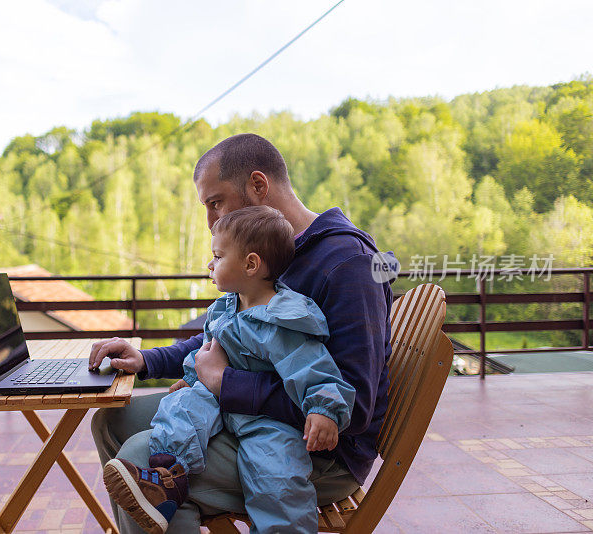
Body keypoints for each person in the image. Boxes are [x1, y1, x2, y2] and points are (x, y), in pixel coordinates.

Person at [89, 133, 396, 533]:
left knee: (141, 456)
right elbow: (225, 339)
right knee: (111, 421)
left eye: (215, 202)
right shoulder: (274, 256)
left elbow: (353, 411)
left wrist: (222, 382)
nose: (211, 221)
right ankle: (174, 512)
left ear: (257, 185)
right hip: (244, 410)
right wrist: (148, 360)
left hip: (317, 449)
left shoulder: (346, 265)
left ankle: (174, 500)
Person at [102, 206, 355, 533]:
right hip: (221, 403)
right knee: (180, 410)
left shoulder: (281, 322)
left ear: (250, 264)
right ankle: (168, 477)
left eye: (218, 256)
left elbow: (312, 368)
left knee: (275, 479)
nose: (210, 263)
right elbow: (208, 350)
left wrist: (324, 409)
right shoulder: (227, 305)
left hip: (266, 421)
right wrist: (190, 377)